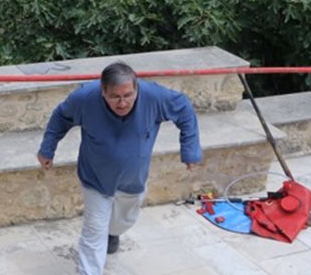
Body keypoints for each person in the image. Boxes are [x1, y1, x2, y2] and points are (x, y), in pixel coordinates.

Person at [37, 61, 201, 275]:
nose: (122, 103)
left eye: (128, 95)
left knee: (123, 221)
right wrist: (47, 149)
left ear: (136, 89)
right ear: (102, 91)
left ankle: (113, 234)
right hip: (95, 177)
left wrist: (190, 151)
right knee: (94, 230)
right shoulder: (85, 98)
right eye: (115, 96)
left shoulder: (154, 96)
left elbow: (185, 111)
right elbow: (60, 117)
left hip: (133, 180)